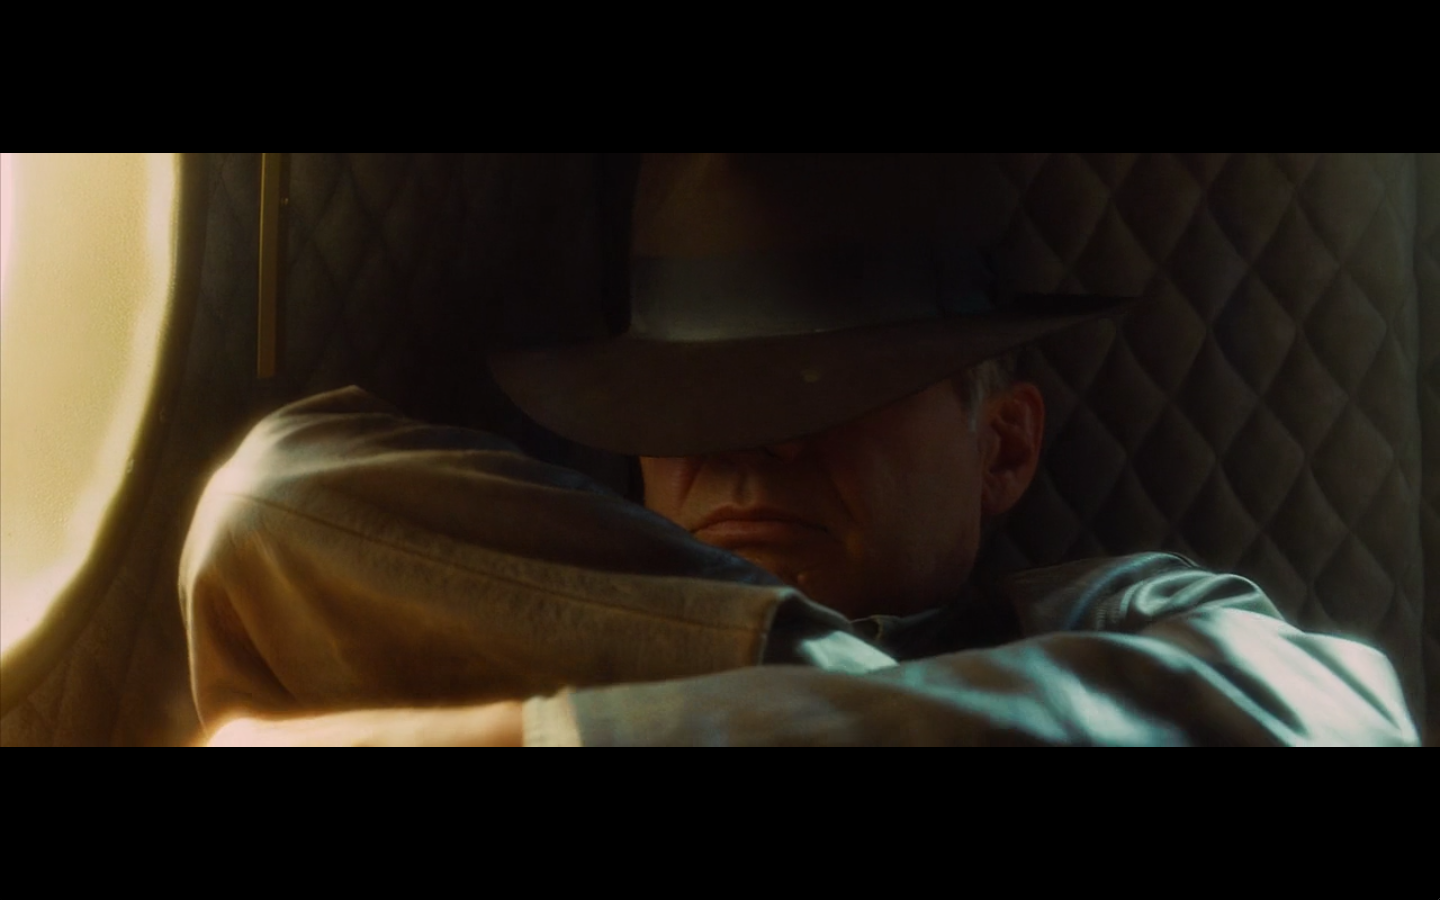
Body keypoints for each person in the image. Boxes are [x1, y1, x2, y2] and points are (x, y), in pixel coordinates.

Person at [182, 154, 1419, 746]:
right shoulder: (512, 602)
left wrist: (529, 740)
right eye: (686, 408)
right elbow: (274, 511)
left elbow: (1336, 721)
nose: (743, 447)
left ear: (1000, 449)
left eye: (831, 391)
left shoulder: (1112, 614)